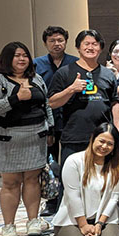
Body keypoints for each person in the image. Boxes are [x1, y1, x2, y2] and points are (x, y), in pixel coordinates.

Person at [0, 41, 53, 236]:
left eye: (25, 55)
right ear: (7, 58)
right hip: (7, 139)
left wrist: (51, 128)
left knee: (32, 180)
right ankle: (9, 226)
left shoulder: (36, 78)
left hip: (35, 137)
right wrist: (16, 98)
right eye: (16, 56)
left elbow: (46, 105)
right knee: (11, 183)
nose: (22, 59)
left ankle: (33, 221)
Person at [49, 30, 119, 169]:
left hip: (103, 139)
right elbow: (51, 103)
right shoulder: (64, 72)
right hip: (74, 137)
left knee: (101, 180)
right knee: (72, 182)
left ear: (100, 48)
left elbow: (115, 103)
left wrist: (118, 130)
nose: (90, 47)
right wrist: (71, 89)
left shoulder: (108, 74)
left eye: (95, 44)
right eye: (86, 44)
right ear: (78, 47)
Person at [52, 123, 119, 236]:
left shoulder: (118, 164)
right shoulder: (74, 161)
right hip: (73, 218)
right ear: (92, 139)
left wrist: (99, 224)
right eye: (101, 141)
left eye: (110, 144)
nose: (104, 147)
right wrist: (84, 225)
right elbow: (74, 197)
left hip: (103, 218)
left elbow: (114, 197)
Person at [33, 26, 78, 215]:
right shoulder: (36, 64)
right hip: (46, 121)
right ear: (45, 43)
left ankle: (72, 198)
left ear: (66, 42)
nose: (56, 44)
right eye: (52, 40)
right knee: (48, 162)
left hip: (71, 119)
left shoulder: (75, 63)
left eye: (60, 40)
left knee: (71, 161)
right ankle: (52, 201)